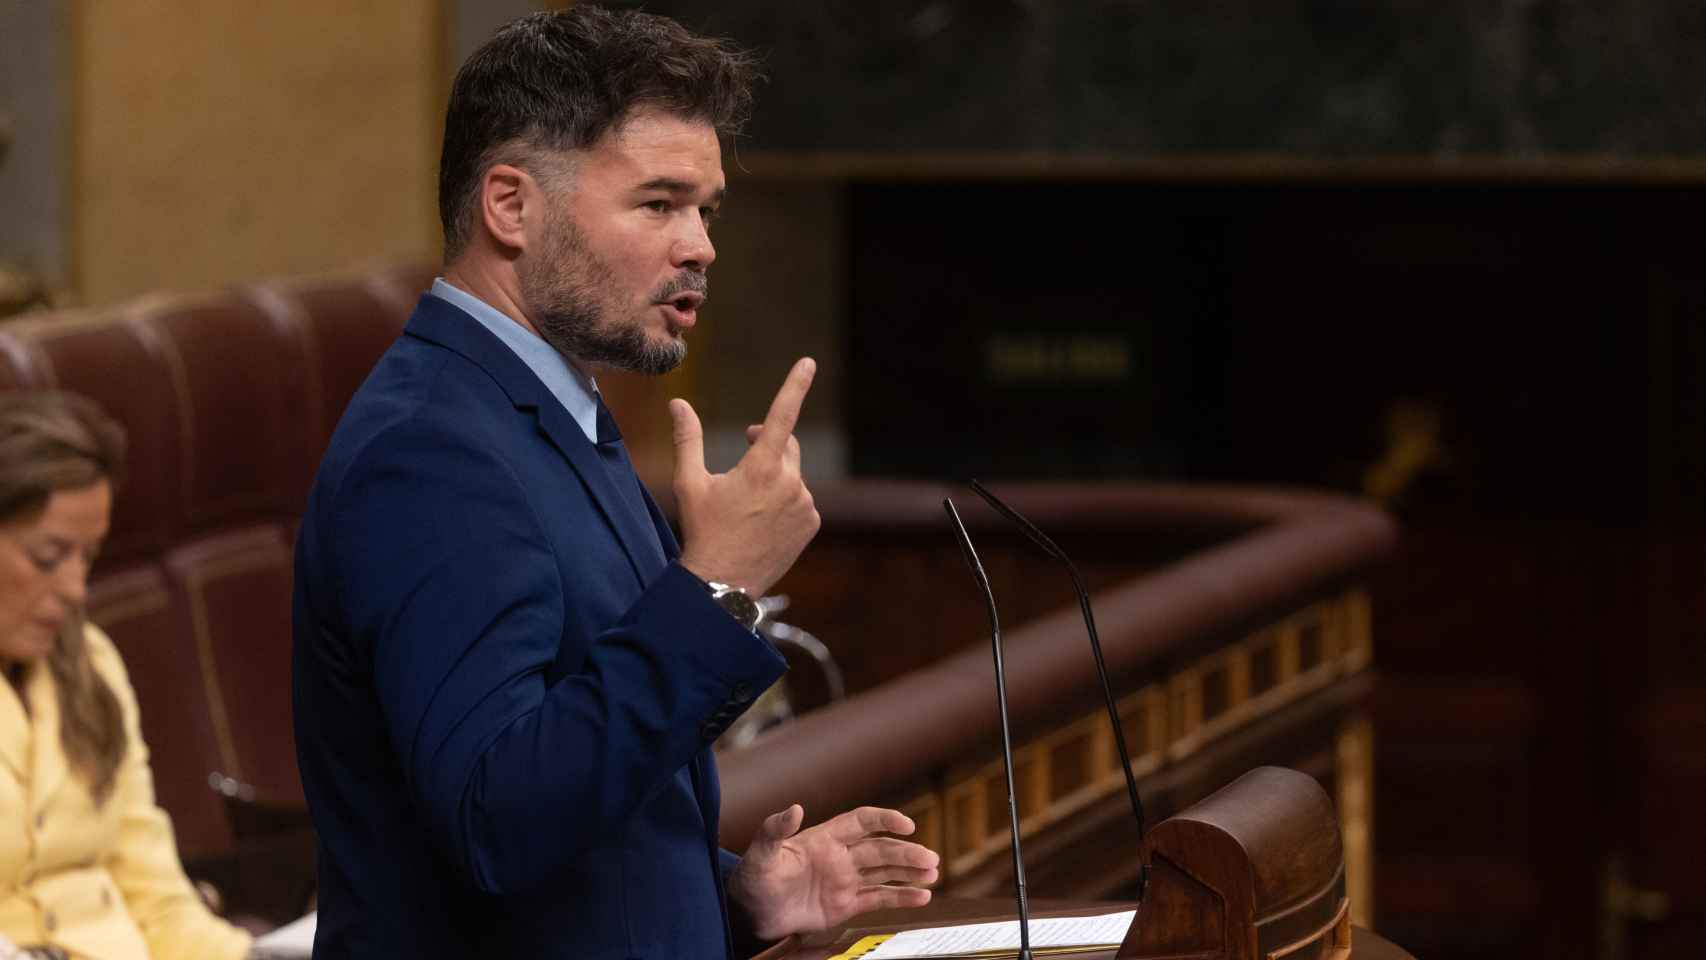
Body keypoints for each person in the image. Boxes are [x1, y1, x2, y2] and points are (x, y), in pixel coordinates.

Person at [291, 7, 939, 958]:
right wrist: (717, 589)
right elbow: (495, 820)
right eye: (658, 204)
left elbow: (587, 825)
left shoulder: (557, 414)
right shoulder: (431, 450)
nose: (702, 246)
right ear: (510, 206)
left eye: (706, 209)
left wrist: (738, 898)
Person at [0, 392, 253, 960]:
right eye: (48, 557)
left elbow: (155, 895)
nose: (75, 589)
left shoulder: (91, 663)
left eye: (87, 557)